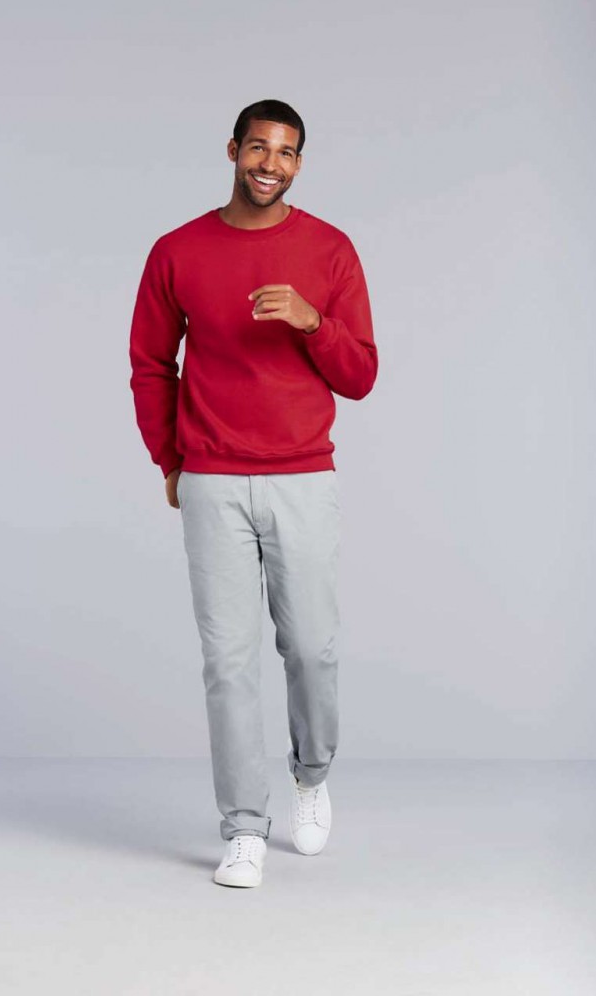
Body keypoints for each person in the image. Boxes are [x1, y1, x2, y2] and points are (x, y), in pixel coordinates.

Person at [129, 99, 378, 887]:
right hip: (211, 477)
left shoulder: (330, 250)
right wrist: (170, 459)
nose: (271, 163)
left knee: (311, 647)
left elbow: (361, 375)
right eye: (259, 147)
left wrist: (310, 321)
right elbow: (150, 363)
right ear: (234, 149)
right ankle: (243, 827)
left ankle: (311, 774)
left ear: (299, 164)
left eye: (287, 152)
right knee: (228, 662)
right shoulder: (178, 251)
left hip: (302, 474)